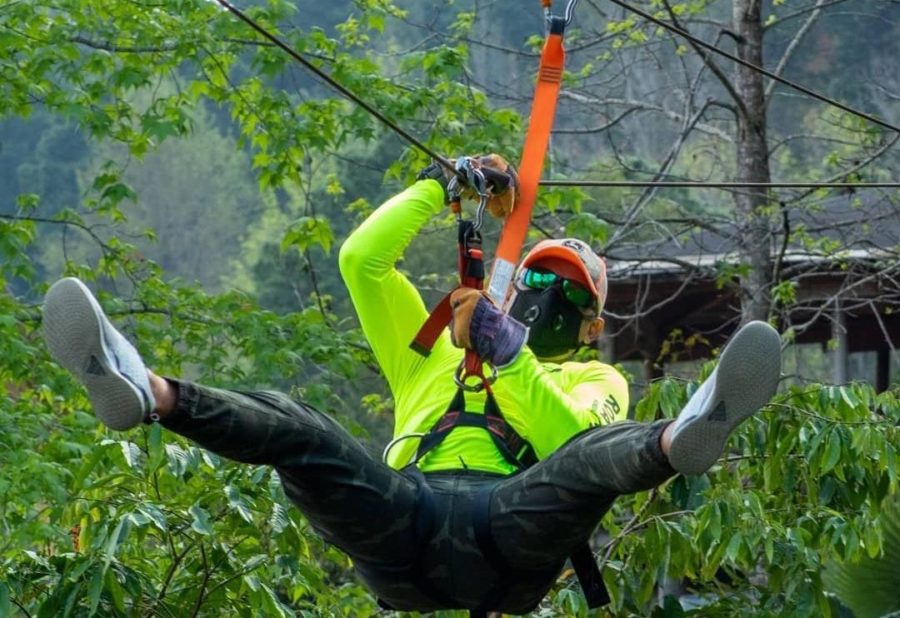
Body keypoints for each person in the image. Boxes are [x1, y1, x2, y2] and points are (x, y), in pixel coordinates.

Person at [41, 155, 783, 615]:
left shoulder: (594, 376)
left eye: (569, 293)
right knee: (301, 429)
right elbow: (361, 259)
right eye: (539, 280)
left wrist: (505, 352)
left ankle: (677, 438)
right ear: (511, 287)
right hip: (407, 520)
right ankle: (152, 392)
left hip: (509, 532)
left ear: (593, 323)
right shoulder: (430, 349)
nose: (549, 299)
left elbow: (567, 443)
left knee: (598, 455)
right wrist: (443, 185)